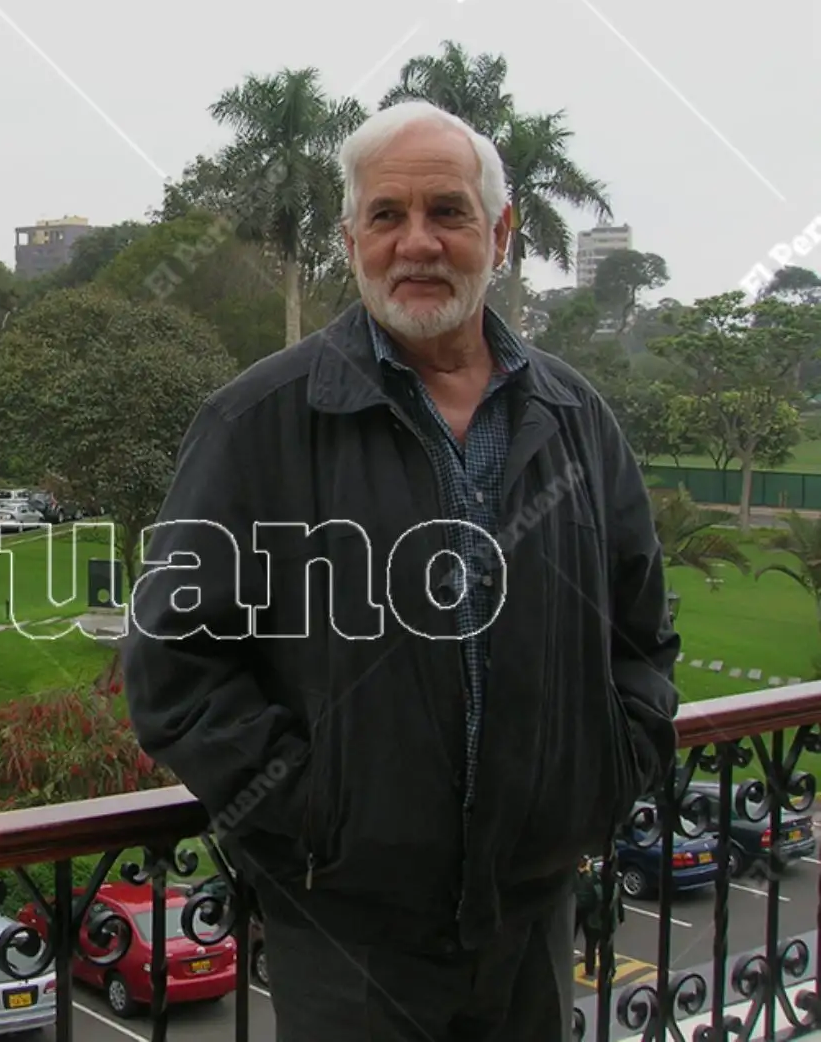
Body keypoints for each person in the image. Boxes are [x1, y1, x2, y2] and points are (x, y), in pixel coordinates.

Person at [121, 100, 679, 1039]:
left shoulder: (576, 419)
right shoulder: (258, 424)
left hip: (531, 923)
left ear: (499, 232)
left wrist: (605, 777)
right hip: (351, 943)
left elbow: (641, 632)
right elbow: (174, 664)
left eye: (447, 211)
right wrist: (316, 819)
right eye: (387, 215)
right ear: (352, 241)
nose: (416, 242)